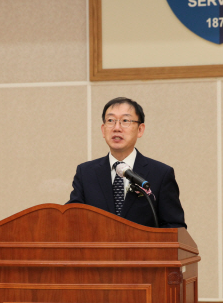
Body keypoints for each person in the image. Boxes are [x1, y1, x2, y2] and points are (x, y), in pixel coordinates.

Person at [67, 97, 186, 228]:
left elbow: (174, 227)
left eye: (125, 121)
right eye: (111, 121)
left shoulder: (161, 174)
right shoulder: (86, 173)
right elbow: (72, 219)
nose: (117, 128)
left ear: (140, 130)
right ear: (103, 129)